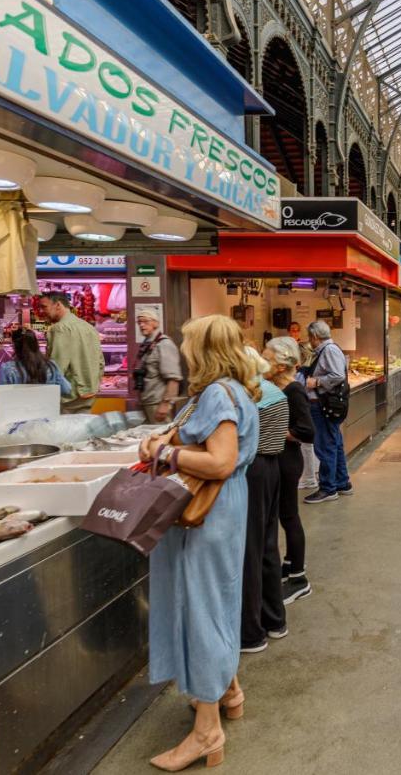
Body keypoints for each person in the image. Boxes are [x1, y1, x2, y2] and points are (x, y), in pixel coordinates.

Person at [137, 315, 258, 771]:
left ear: (203, 349)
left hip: (207, 513)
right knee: (216, 599)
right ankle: (228, 691)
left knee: (202, 608)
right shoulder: (232, 389)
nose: (183, 350)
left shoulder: (216, 393)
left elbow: (221, 461)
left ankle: (207, 732)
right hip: (223, 510)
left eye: (189, 342)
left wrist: (165, 453)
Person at [240, 351, 290, 654]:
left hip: (252, 472)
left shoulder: (250, 395)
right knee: (268, 546)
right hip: (272, 468)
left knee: (249, 550)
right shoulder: (274, 391)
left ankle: (251, 631)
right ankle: (275, 619)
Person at [263, 338, 314, 606]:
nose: (263, 363)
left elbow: (307, 430)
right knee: (284, 515)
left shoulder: (293, 390)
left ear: (282, 364)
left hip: (287, 461)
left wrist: (276, 432)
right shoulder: (276, 387)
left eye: (267, 358)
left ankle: (298, 577)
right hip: (281, 459)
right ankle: (288, 563)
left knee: (289, 516)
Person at [303, 320, 350, 503]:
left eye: (310, 337)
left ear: (314, 336)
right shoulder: (325, 350)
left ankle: (328, 488)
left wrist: (317, 382)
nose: (310, 340)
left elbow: (337, 375)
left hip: (323, 405)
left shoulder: (328, 350)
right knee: (334, 443)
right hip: (326, 404)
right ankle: (342, 483)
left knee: (325, 446)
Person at [39, 291, 103, 413]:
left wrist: (45, 392)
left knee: (66, 430)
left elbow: (57, 367)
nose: (42, 311)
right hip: (89, 393)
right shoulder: (88, 327)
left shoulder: (59, 329)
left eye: (44, 307)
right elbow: (100, 363)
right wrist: (94, 385)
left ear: (58, 305)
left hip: (69, 396)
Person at [135, 310, 183, 423]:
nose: (141, 325)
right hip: (147, 401)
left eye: (145, 321)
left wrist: (165, 404)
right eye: (139, 322)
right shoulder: (148, 343)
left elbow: (173, 379)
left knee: (160, 437)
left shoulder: (164, 344)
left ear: (156, 323)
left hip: (157, 403)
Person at [0, 326, 72, 397]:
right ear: (36, 344)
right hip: (47, 409)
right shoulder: (51, 365)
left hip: (19, 409)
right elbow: (67, 389)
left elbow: (1, 396)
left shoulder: (7, 369)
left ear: (14, 346)